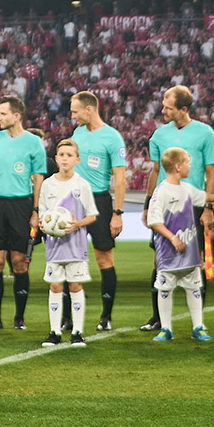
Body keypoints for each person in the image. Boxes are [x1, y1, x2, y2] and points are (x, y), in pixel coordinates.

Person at [142, 85, 214, 332]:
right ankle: (157, 319)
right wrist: (148, 203)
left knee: (196, 261)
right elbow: (155, 171)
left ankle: (198, 322)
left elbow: (211, 172)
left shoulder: (205, 133)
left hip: (193, 206)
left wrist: (209, 208)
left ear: (183, 109)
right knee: (159, 261)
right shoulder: (159, 135)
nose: (163, 110)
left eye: (168, 106)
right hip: (165, 207)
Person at [0, 95, 47, 331]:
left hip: (22, 205)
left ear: (16, 116)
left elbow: (39, 179)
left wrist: (36, 211)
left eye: (3, 113)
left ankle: (19, 318)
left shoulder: (33, 143)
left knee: (20, 263)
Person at [70, 90, 129, 332]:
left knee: (104, 258)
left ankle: (106, 316)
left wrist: (117, 212)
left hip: (100, 202)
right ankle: (66, 317)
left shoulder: (112, 138)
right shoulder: (77, 133)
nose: (73, 116)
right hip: (74, 199)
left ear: (89, 109)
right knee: (70, 258)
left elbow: (121, 179)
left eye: (75, 111)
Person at [146, 147, 210, 343]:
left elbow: (208, 197)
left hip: (189, 253)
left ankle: (198, 326)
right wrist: (173, 238)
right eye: (188, 162)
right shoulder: (162, 191)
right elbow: (154, 220)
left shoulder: (187, 189)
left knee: (194, 288)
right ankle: (166, 328)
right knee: (165, 289)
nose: (190, 166)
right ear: (177, 166)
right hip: (168, 253)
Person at [36, 141, 97, 347]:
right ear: (56, 158)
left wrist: (77, 224)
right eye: (61, 154)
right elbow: (42, 212)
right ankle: (54, 332)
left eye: (69, 155)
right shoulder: (47, 184)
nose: (64, 158)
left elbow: (92, 216)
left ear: (77, 160)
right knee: (55, 286)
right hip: (54, 247)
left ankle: (78, 333)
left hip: (76, 246)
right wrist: (44, 224)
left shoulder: (82, 185)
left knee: (75, 285)